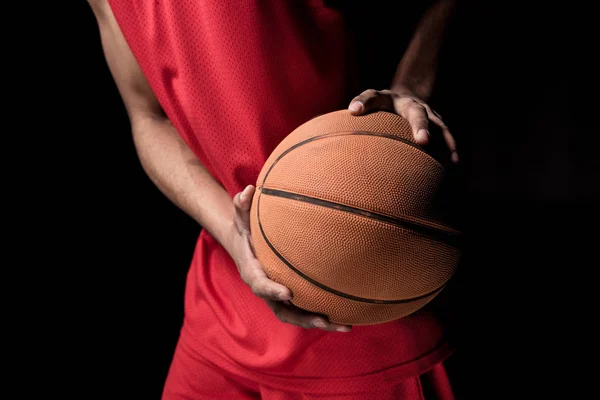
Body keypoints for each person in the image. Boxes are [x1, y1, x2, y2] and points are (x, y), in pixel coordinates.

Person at [88, 0, 461, 398]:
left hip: (366, 298)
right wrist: (236, 238)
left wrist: (409, 89)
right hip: (223, 308)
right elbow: (147, 117)